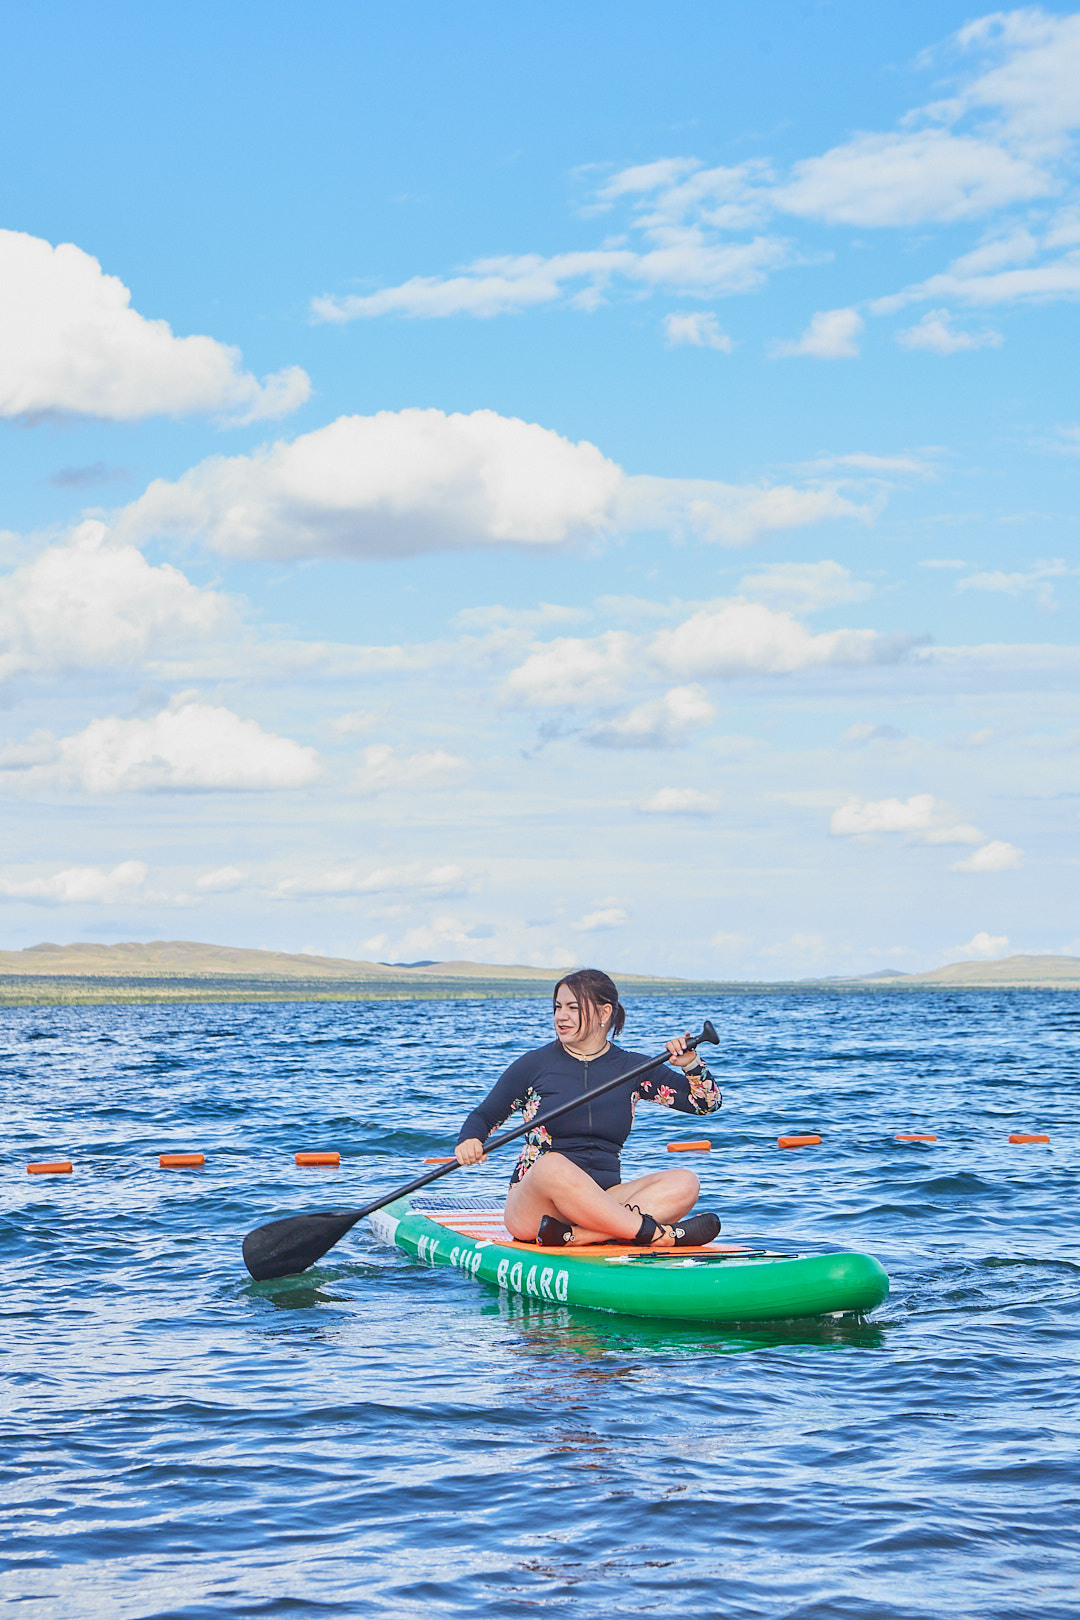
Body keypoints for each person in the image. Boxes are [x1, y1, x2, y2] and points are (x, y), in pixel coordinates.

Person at [455, 967, 722, 1249]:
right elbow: (484, 1117)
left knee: (685, 1182)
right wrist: (470, 1141)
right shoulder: (535, 1065)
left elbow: (706, 1103)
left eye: (572, 1007)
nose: (561, 1016)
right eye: (558, 1007)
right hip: (538, 1209)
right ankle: (656, 1235)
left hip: (607, 1201)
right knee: (553, 1165)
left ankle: (580, 1236)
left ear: (604, 1013)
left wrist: (691, 1065)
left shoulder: (632, 1068)